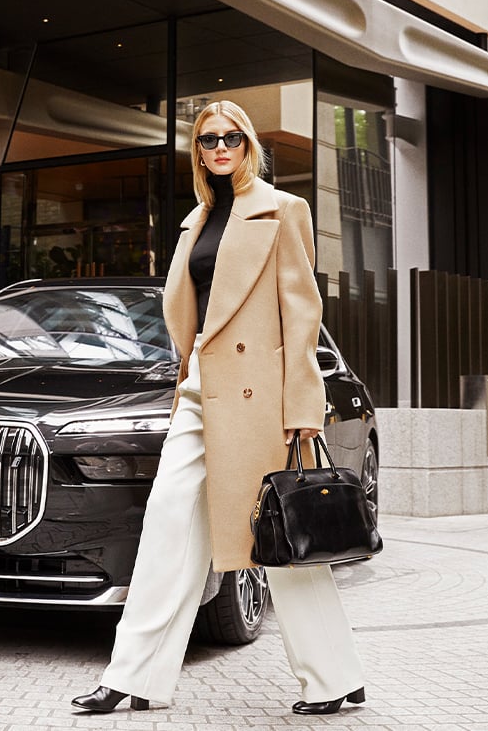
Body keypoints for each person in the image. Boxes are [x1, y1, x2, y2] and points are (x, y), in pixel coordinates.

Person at [71, 99, 365, 716]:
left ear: (249, 143)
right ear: (198, 151)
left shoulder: (284, 211)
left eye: (231, 137)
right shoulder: (196, 219)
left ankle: (334, 678)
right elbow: (191, 313)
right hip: (200, 388)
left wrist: (303, 409)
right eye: (208, 140)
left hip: (259, 398)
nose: (220, 147)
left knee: (278, 537)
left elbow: (302, 317)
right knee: (166, 529)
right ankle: (134, 676)